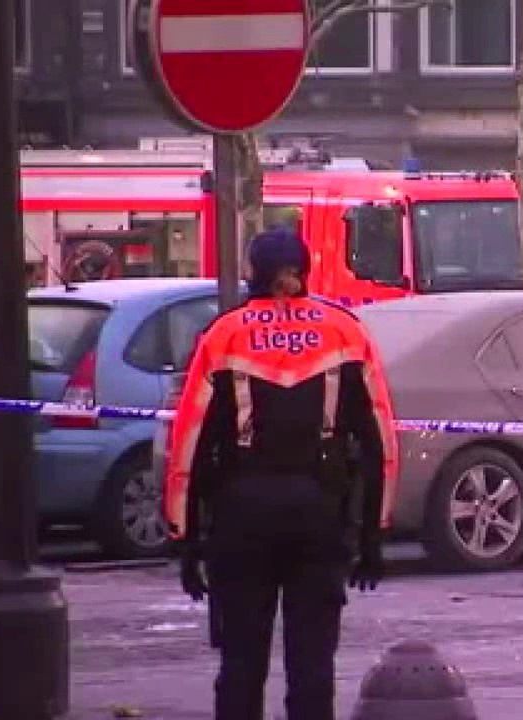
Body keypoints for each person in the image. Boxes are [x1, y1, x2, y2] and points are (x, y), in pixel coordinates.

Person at [162, 228, 399, 720]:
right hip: (320, 510)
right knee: (313, 664)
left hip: (242, 514)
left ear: (254, 270)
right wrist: (374, 533)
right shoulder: (345, 331)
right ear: (303, 268)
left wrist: (184, 538)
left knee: (241, 663)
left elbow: (189, 444)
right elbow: (380, 440)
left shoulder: (224, 334)